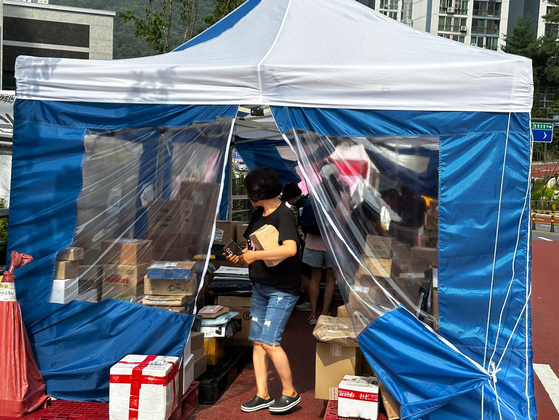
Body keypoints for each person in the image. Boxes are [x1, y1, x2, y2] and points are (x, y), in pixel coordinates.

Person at [225, 167, 302, 414]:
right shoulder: (259, 213)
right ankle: (262, 394)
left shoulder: (284, 215)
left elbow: (290, 249)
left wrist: (254, 256)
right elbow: (252, 248)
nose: (248, 195)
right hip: (260, 285)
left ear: (257, 193)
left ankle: (290, 392)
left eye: (249, 191)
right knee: (258, 342)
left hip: (282, 288)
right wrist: (241, 257)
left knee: (269, 342)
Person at [301, 196, 336, 326]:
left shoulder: (313, 197)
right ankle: (325, 315)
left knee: (315, 278)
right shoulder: (338, 197)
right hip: (333, 245)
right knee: (331, 280)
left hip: (313, 242)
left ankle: (313, 315)